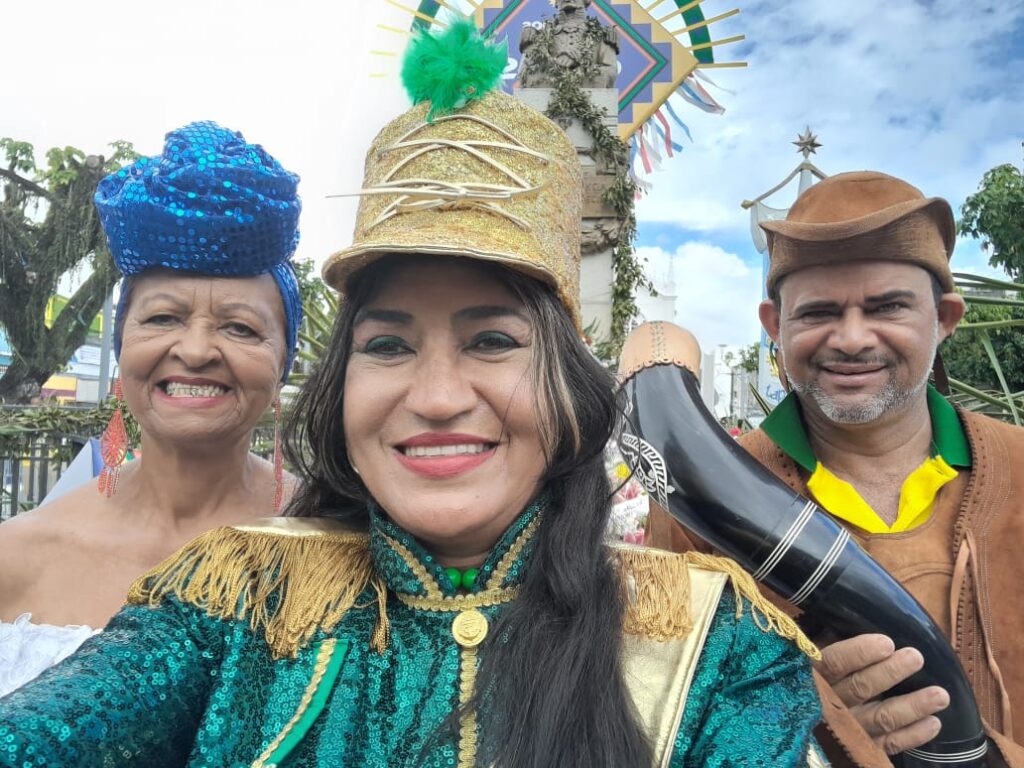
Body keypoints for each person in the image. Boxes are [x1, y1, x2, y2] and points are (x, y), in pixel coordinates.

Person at [0, 22, 827, 767]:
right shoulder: (228, 601)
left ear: (572, 387)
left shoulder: (718, 646)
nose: (435, 397)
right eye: (388, 345)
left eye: (493, 341)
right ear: (338, 385)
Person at [647, 171, 1024, 766]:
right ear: (775, 327)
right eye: (819, 312)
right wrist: (797, 725)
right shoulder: (699, 507)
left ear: (944, 317)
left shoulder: (1019, 467)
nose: (851, 339)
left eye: (888, 307)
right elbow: (667, 713)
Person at [0, 121, 303, 697]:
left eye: (239, 327)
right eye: (162, 318)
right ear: (122, 351)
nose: (192, 350)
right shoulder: (15, 555)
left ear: (283, 363)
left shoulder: (353, 545)